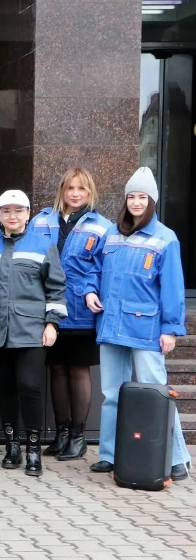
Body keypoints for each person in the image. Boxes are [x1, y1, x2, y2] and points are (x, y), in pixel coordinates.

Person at [85, 167, 191, 481]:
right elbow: (94, 268)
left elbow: (172, 287)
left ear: (152, 201)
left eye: (142, 197)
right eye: (131, 196)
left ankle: (176, 460)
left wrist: (171, 328)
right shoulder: (112, 233)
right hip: (111, 324)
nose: (136, 202)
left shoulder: (165, 238)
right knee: (112, 393)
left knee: (157, 395)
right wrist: (90, 290)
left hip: (146, 330)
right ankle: (109, 454)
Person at [0, 189, 67, 477]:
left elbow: (56, 288)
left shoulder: (42, 246)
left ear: (28, 213)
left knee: (30, 387)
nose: (12, 216)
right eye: (6, 211)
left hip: (31, 330)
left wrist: (52, 324)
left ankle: (33, 449)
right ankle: (12, 446)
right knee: (6, 389)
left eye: (18, 210)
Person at [28, 167, 110, 461]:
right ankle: (61, 433)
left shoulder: (102, 227)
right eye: (70, 188)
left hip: (81, 310)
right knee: (57, 369)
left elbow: (102, 269)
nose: (75, 194)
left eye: (82, 190)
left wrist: (91, 292)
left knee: (78, 370)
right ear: (62, 190)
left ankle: (78, 436)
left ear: (90, 194)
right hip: (47, 310)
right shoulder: (39, 221)